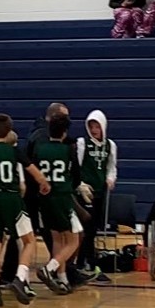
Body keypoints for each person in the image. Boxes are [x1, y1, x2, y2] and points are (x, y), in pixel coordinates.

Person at [0, 113, 51, 308]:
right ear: (8, 131)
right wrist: (44, 184)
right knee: (29, 240)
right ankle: (20, 278)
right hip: (11, 198)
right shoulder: (14, 151)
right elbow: (34, 172)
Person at [35, 112, 83, 295]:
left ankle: (62, 280)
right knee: (73, 240)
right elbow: (76, 176)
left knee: (57, 238)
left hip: (45, 198)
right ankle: (50, 268)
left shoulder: (41, 149)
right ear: (65, 132)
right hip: (62, 196)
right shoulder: (68, 150)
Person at [76, 109, 117, 283]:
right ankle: (86, 264)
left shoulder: (110, 145)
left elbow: (111, 167)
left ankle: (86, 264)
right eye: (91, 126)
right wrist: (80, 184)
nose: (94, 130)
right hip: (84, 193)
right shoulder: (82, 143)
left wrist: (110, 179)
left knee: (93, 230)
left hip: (100, 192)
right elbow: (76, 166)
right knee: (85, 230)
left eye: (97, 127)